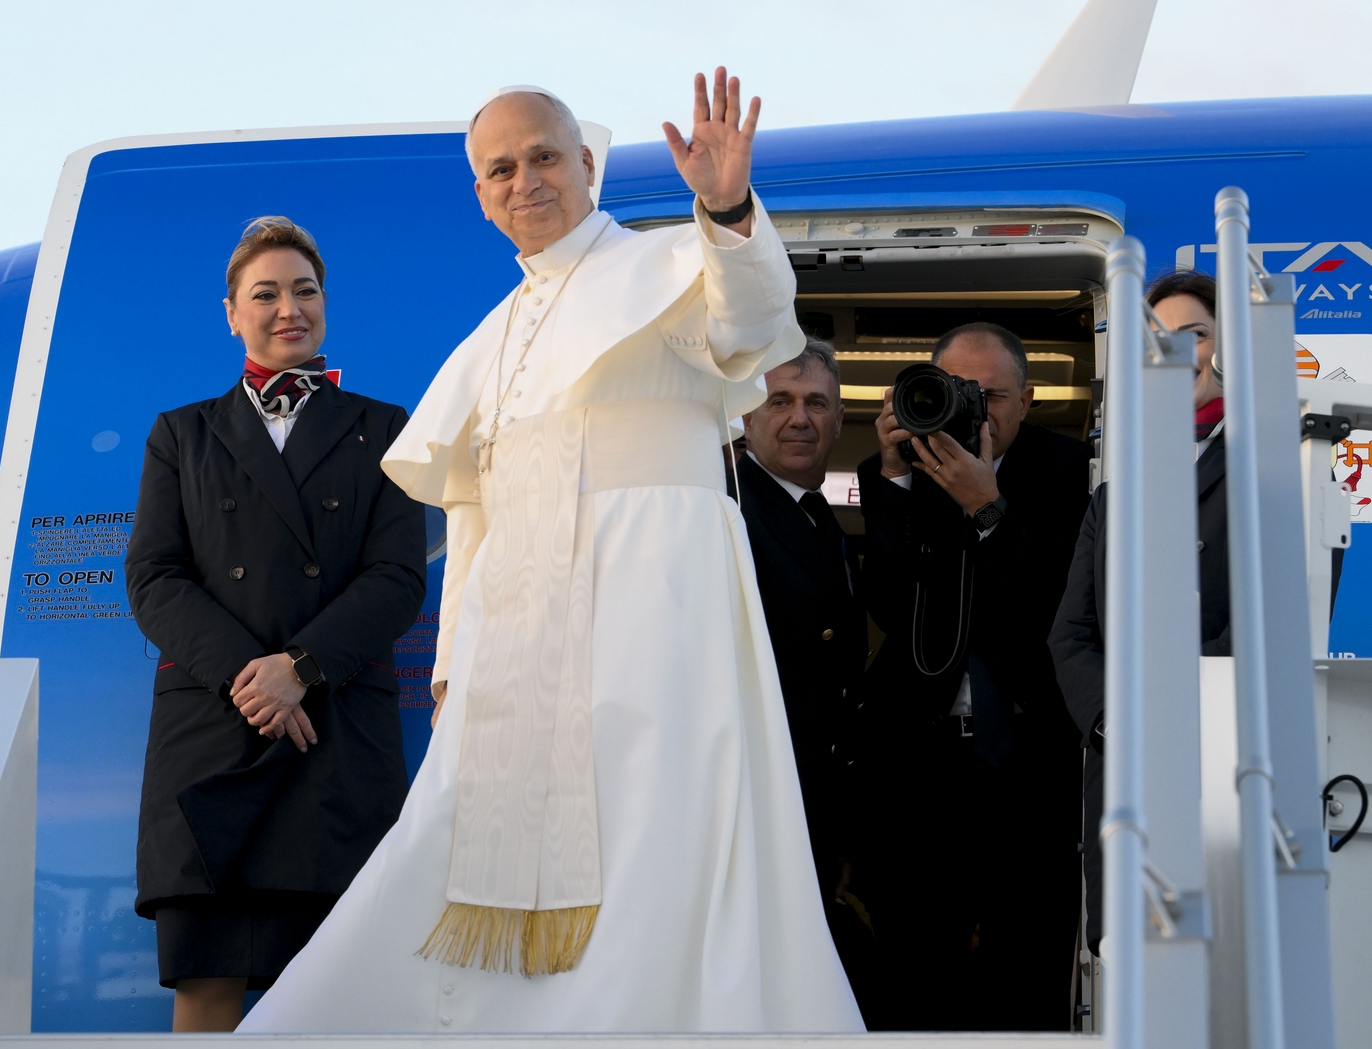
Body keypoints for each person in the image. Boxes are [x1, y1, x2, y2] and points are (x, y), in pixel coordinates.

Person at [241, 71, 863, 1034]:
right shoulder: (491, 337)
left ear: (585, 164)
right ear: (482, 197)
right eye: (500, 170)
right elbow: (473, 513)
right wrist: (453, 666)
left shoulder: (670, 262)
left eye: (542, 157)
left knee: (650, 826)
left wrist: (730, 208)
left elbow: (750, 321)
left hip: (652, 604)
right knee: (460, 838)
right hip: (518, 643)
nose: (524, 180)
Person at [122, 216, 427, 1031]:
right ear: (232, 313)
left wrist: (301, 667)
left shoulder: (385, 428)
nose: (289, 308)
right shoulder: (181, 433)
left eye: (305, 290)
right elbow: (153, 577)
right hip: (215, 736)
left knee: (339, 1001)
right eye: (266, 294)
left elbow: (398, 578)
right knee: (207, 988)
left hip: (332, 736)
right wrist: (251, 676)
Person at [854, 321, 1090, 1031]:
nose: (975, 410)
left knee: (1028, 960)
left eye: (992, 395)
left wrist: (987, 506)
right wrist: (896, 478)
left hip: (1030, 764)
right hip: (922, 765)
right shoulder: (900, 469)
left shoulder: (1074, 469)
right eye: (958, 390)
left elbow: (1060, 609)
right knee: (917, 964)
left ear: (1029, 399)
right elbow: (890, 607)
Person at [1049, 270, 1229, 956]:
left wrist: (1170, 715)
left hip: (1222, 776)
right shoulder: (1115, 493)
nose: (1178, 353)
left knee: (1221, 976)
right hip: (1122, 779)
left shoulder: (1280, 470)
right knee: (1131, 972)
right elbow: (1070, 634)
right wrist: (1115, 720)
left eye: (1196, 335)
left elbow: (1279, 623)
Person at [733, 339, 879, 1016]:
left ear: (839, 417)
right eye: (780, 401)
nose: (800, 418)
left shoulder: (818, 516)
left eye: (817, 403)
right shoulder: (728, 506)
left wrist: (837, 827)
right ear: (746, 416)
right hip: (757, 811)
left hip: (810, 808)